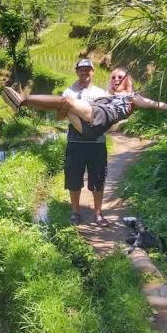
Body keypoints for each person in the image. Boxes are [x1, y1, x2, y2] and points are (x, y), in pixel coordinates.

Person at [0, 83, 167, 139]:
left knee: (65, 101)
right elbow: (59, 117)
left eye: (119, 78)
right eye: (113, 77)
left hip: (99, 118)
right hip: (90, 130)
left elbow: (151, 103)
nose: (116, 80)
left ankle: (23, 99)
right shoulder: (109, 95)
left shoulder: (132, 97)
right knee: (62, 105)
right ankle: (21, 104)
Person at [57, 59, 111, 226]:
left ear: (93, 71)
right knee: (73, 179)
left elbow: (104, 119)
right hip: (75, 142)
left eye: (88, 69)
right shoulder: (68, 93)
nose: (84, 72)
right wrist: (65, 108)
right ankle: (75, 213)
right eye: (81, 69)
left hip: (97, 143)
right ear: (76, 72)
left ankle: (98, 214)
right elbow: (58, 117)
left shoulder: (100, 93)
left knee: (98, 179)